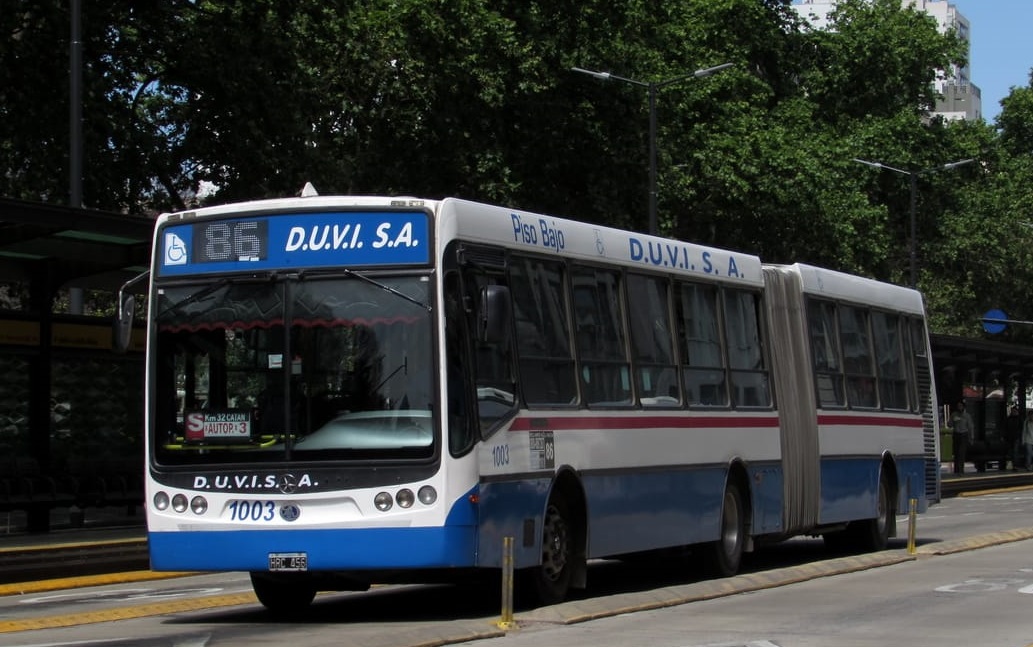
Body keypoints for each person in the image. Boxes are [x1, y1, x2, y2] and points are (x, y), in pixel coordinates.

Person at [951, 401, 974, 475]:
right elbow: (949, 424)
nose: (959, 407)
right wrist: (953, 421)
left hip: (964, 435)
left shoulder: (967, 416)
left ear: (963, 407)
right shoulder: (954, 414)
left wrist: (971, 438)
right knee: (956, 453)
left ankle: (961, 470)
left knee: (961, 453)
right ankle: (956, 470)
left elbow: (970, 427)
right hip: (956, 434)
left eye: (961, 406)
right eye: (958, 406)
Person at [1003, 406, 1022, 471]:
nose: (1013, 412)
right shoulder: (1009, 419)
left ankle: (1015, 465)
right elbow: (1005, 428)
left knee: (1015, 451)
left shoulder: (1019, 419)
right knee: (1011, 451)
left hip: (1016, 437)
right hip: (1009, 437)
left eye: (1015, 411)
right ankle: (1013, 464)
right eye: (1013, 411)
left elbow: (1021, 428)